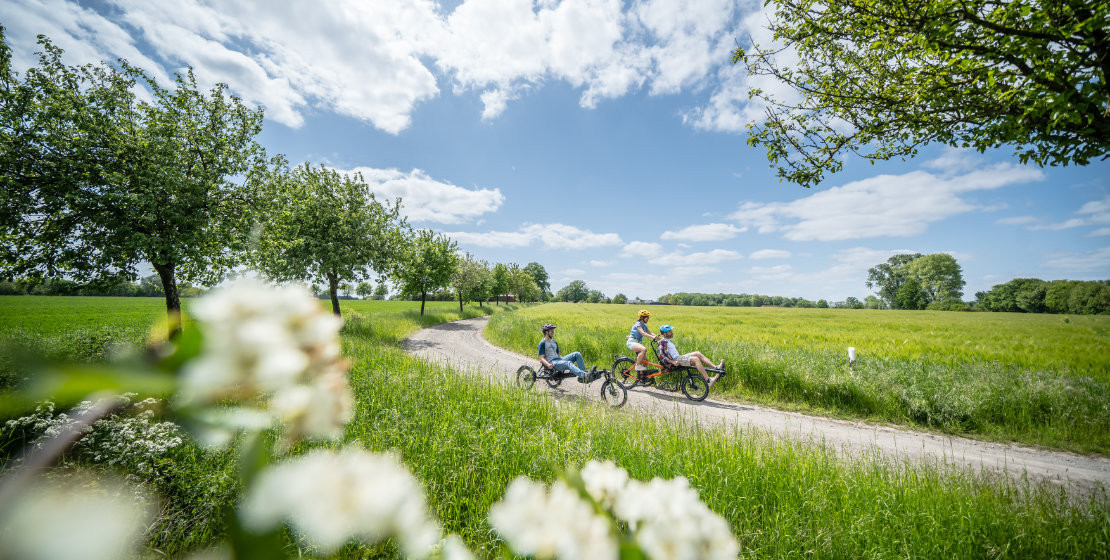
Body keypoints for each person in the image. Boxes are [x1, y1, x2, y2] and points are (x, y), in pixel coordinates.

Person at [657, 324, 724, 387]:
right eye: (669, 332)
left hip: (679, 357)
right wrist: (672, 362)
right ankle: (709, 381)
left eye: (671, 331)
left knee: (697, 353)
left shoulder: (668, 341)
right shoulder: (662, 341)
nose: (672, 333)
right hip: (675, 360)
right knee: (695, 359)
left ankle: (716, 367)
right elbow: (661, 355)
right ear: (665, 334)